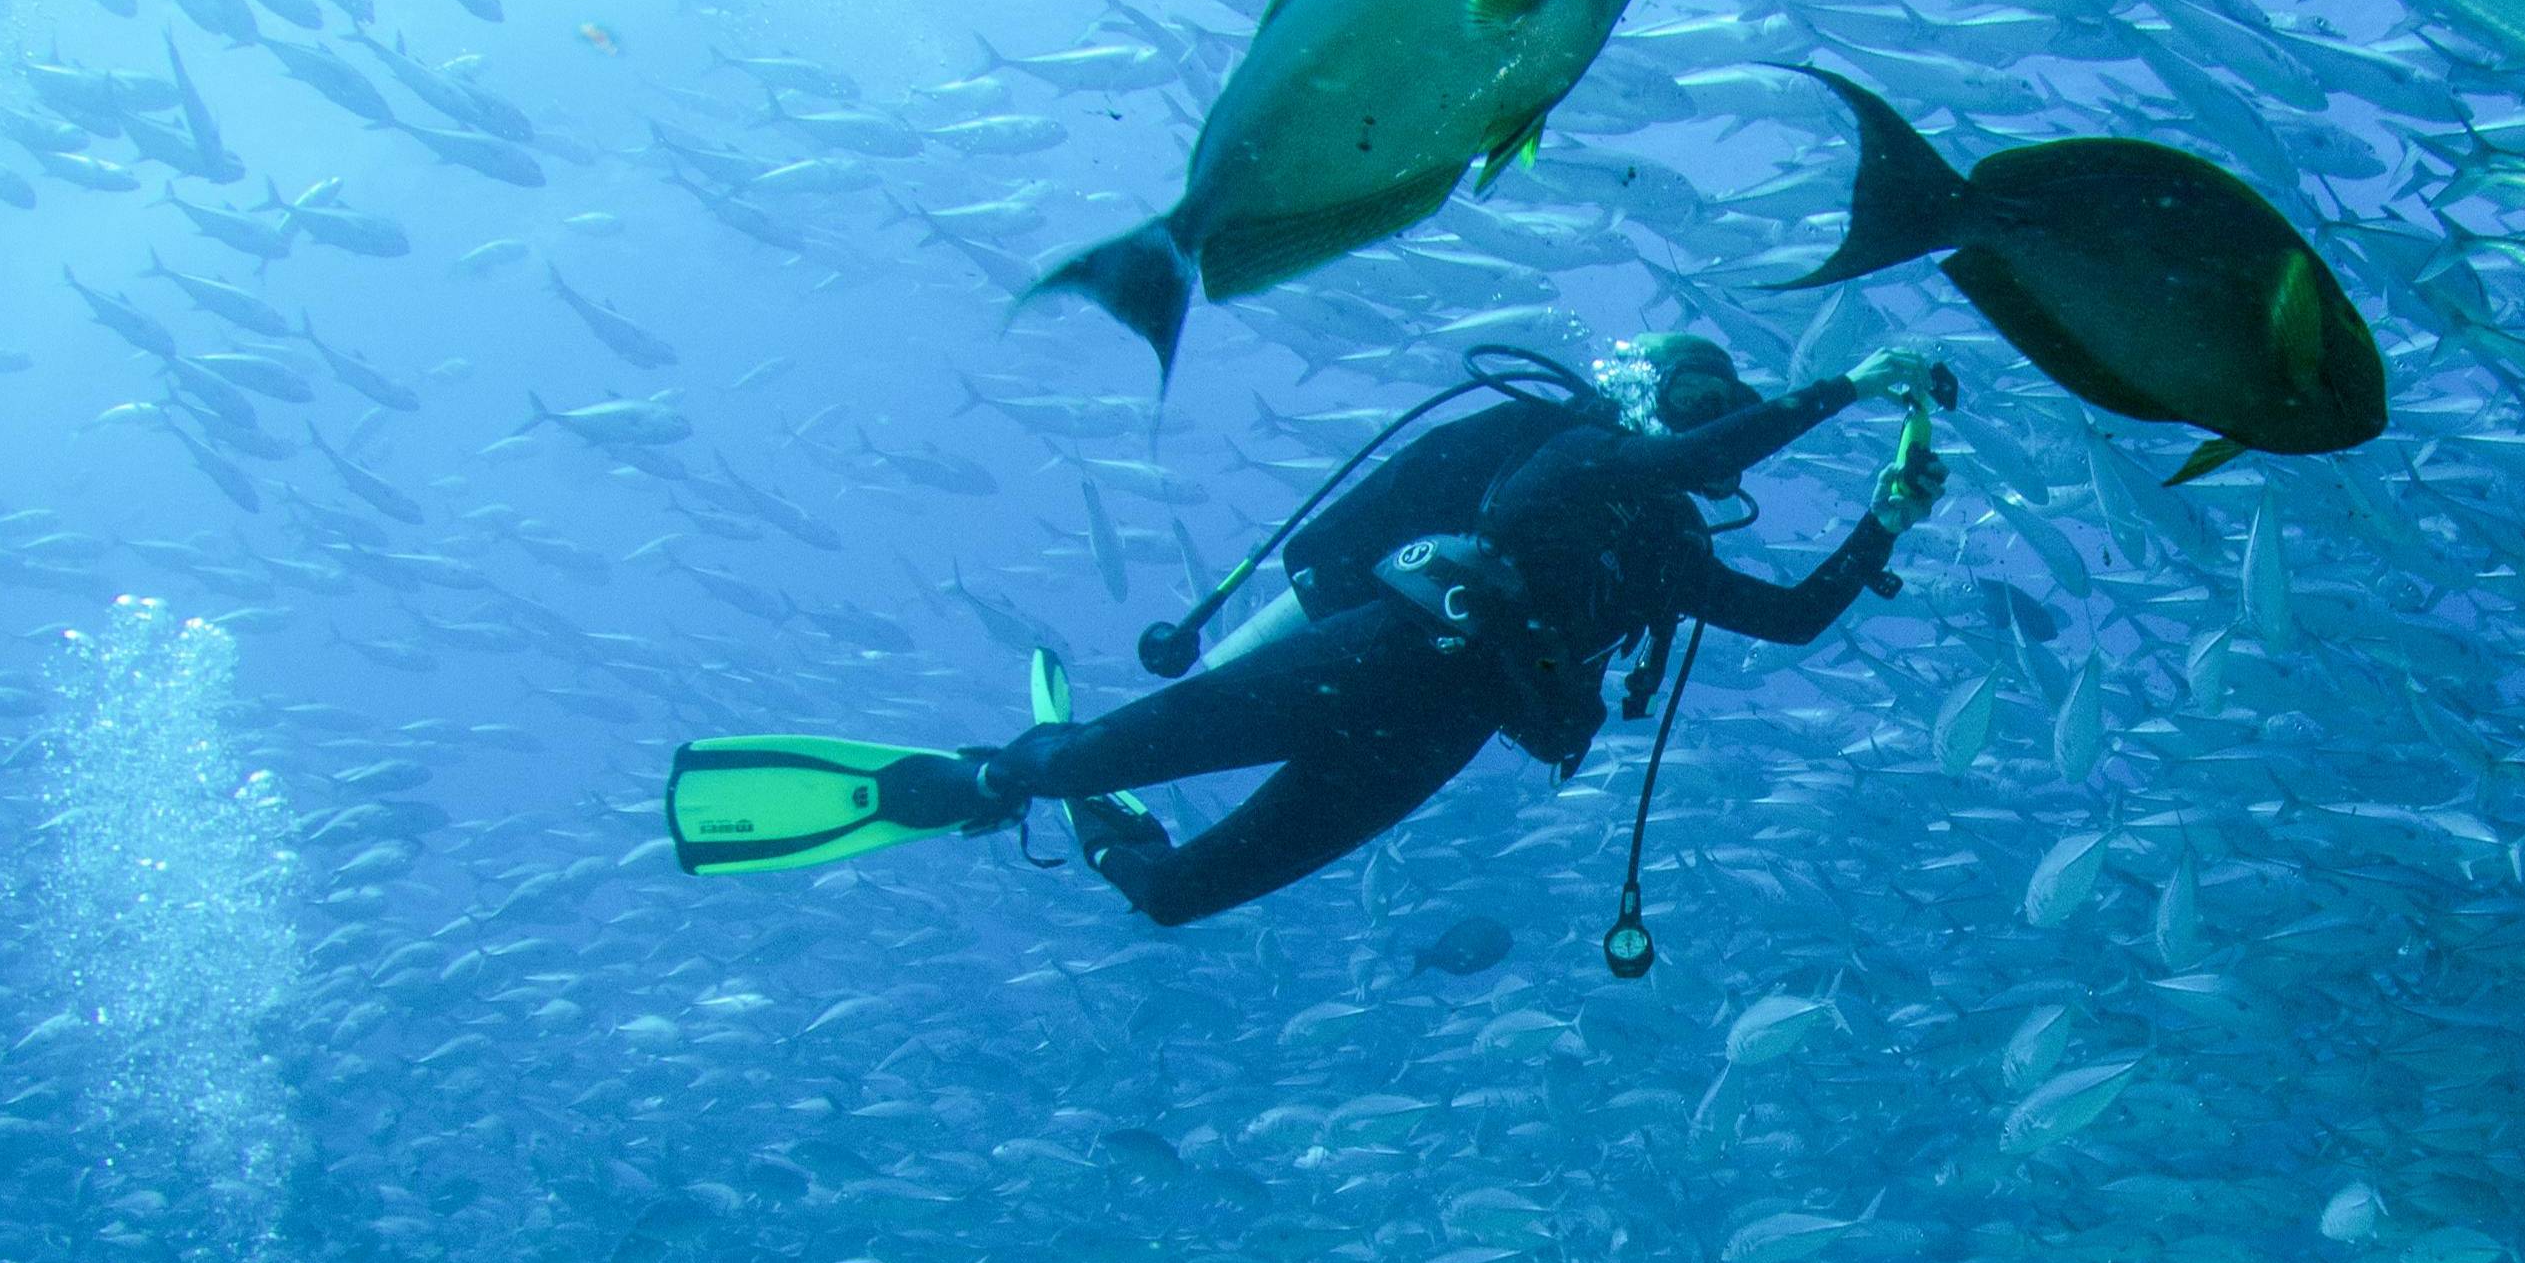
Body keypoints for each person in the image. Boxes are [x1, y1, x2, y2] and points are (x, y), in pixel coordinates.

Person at [661, 333, 1952, 920]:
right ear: (1649, 406)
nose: (1709, 415)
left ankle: (1105, 836)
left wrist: (1884, 520)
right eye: (1694, 395)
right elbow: (1687, 456)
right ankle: (987, 778)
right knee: (1084, 751)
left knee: (1175, 897)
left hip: (1431, 740)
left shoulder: (1667, 551)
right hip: (1385, 657)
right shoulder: (1576, 454)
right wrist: (1842, 385)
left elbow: (1787, 620)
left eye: (1722, 405)